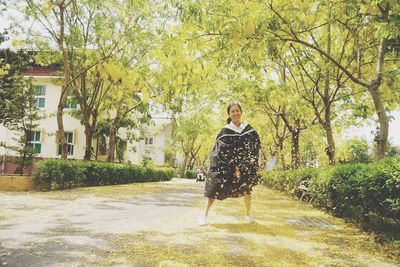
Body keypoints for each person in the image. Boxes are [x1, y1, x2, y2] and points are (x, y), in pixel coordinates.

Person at [198, 101, 260, 225]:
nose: (235, 113)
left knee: (246, 189)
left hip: (244, 165)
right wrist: (234, 167)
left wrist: (244, 165)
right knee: (214, 188)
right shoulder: (225, 132)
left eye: (237, 110)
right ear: (229, 114)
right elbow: (220, 153)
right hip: (226, 166)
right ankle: (203, 216)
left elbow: (254, 147)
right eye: (232, 111)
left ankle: (248, 215)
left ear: (241, 112)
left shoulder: (248, 129)